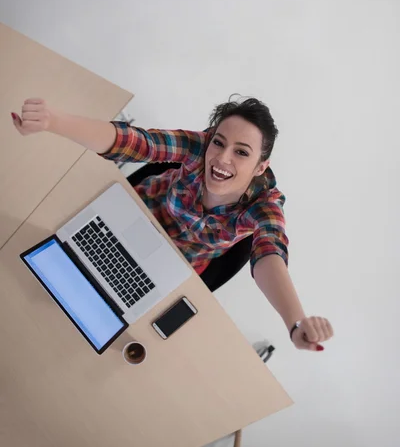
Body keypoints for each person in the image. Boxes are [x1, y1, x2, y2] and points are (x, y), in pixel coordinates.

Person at [11, 96, 334, 351]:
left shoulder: (265, 205)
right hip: (127, 214)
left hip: (167, 265)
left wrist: (295, 323)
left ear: (261, 166)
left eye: (242, 152)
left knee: (89, 324)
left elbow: (269, 253)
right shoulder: (199, 147)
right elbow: (136, 142)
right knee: (35, 274)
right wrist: (53, 121)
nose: (222, 159)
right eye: (219, 143)